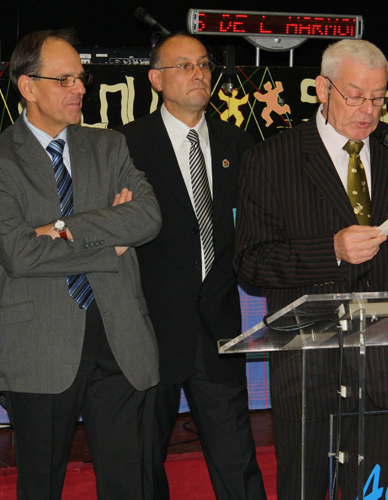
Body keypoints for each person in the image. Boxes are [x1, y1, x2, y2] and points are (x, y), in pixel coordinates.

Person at [233, 39, 388, 499]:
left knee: (379, 492)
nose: (368, 111)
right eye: (356, 96)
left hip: (387, 364)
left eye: (379, 98)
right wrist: (330, 250)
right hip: (309, 365)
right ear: (321, 89)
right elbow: (251, 263)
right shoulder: (270, 158)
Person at [0, 29, 162, 499]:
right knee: (41, 483)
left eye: (81, 78)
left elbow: (147, 218)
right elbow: (19, 254)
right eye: (65, 79)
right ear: (27, 86)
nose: (79, 88)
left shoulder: (109, 145)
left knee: (128, 482)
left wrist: (60, 228)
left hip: (120, 338)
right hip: (39, 343)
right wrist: (109, 239)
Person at [119, 33, 266, 500]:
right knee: (143, 465)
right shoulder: (125, 145)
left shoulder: (239, 144)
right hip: (151, 330)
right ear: (156, 79)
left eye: (203, 64)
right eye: (184, 65)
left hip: (219, 327)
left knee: (238, 463)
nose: (199, 73)